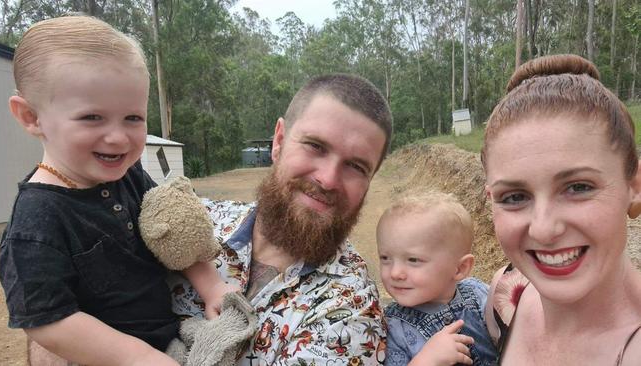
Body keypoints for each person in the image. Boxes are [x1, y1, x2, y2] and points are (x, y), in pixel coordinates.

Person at [0, 15, 235, 365]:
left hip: (169, 343)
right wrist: (135, 357)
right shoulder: (36, 221)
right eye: (92, 117)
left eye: (133, 118)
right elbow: (48, 321)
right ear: (31, 117)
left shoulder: (128, 174)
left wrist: (212, 286)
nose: (119, 137)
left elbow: (171, 234)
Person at [169, 73, 392, 365]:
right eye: (315, 146)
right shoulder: (194, 220)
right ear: (279, 141)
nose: (328, 179)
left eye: (356, 166)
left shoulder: (352, 309)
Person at [482, 54, 641, 365]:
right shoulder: (504, 297)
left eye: (579, 187)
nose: (543, 228)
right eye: (514, 197)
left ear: (634, 186)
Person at [378, 193, 497, 366]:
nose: (395, 273)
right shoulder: (393, 327)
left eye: (413, 260)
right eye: (385, 258)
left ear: (459, 268)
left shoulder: (478, 294)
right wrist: (425, 361)